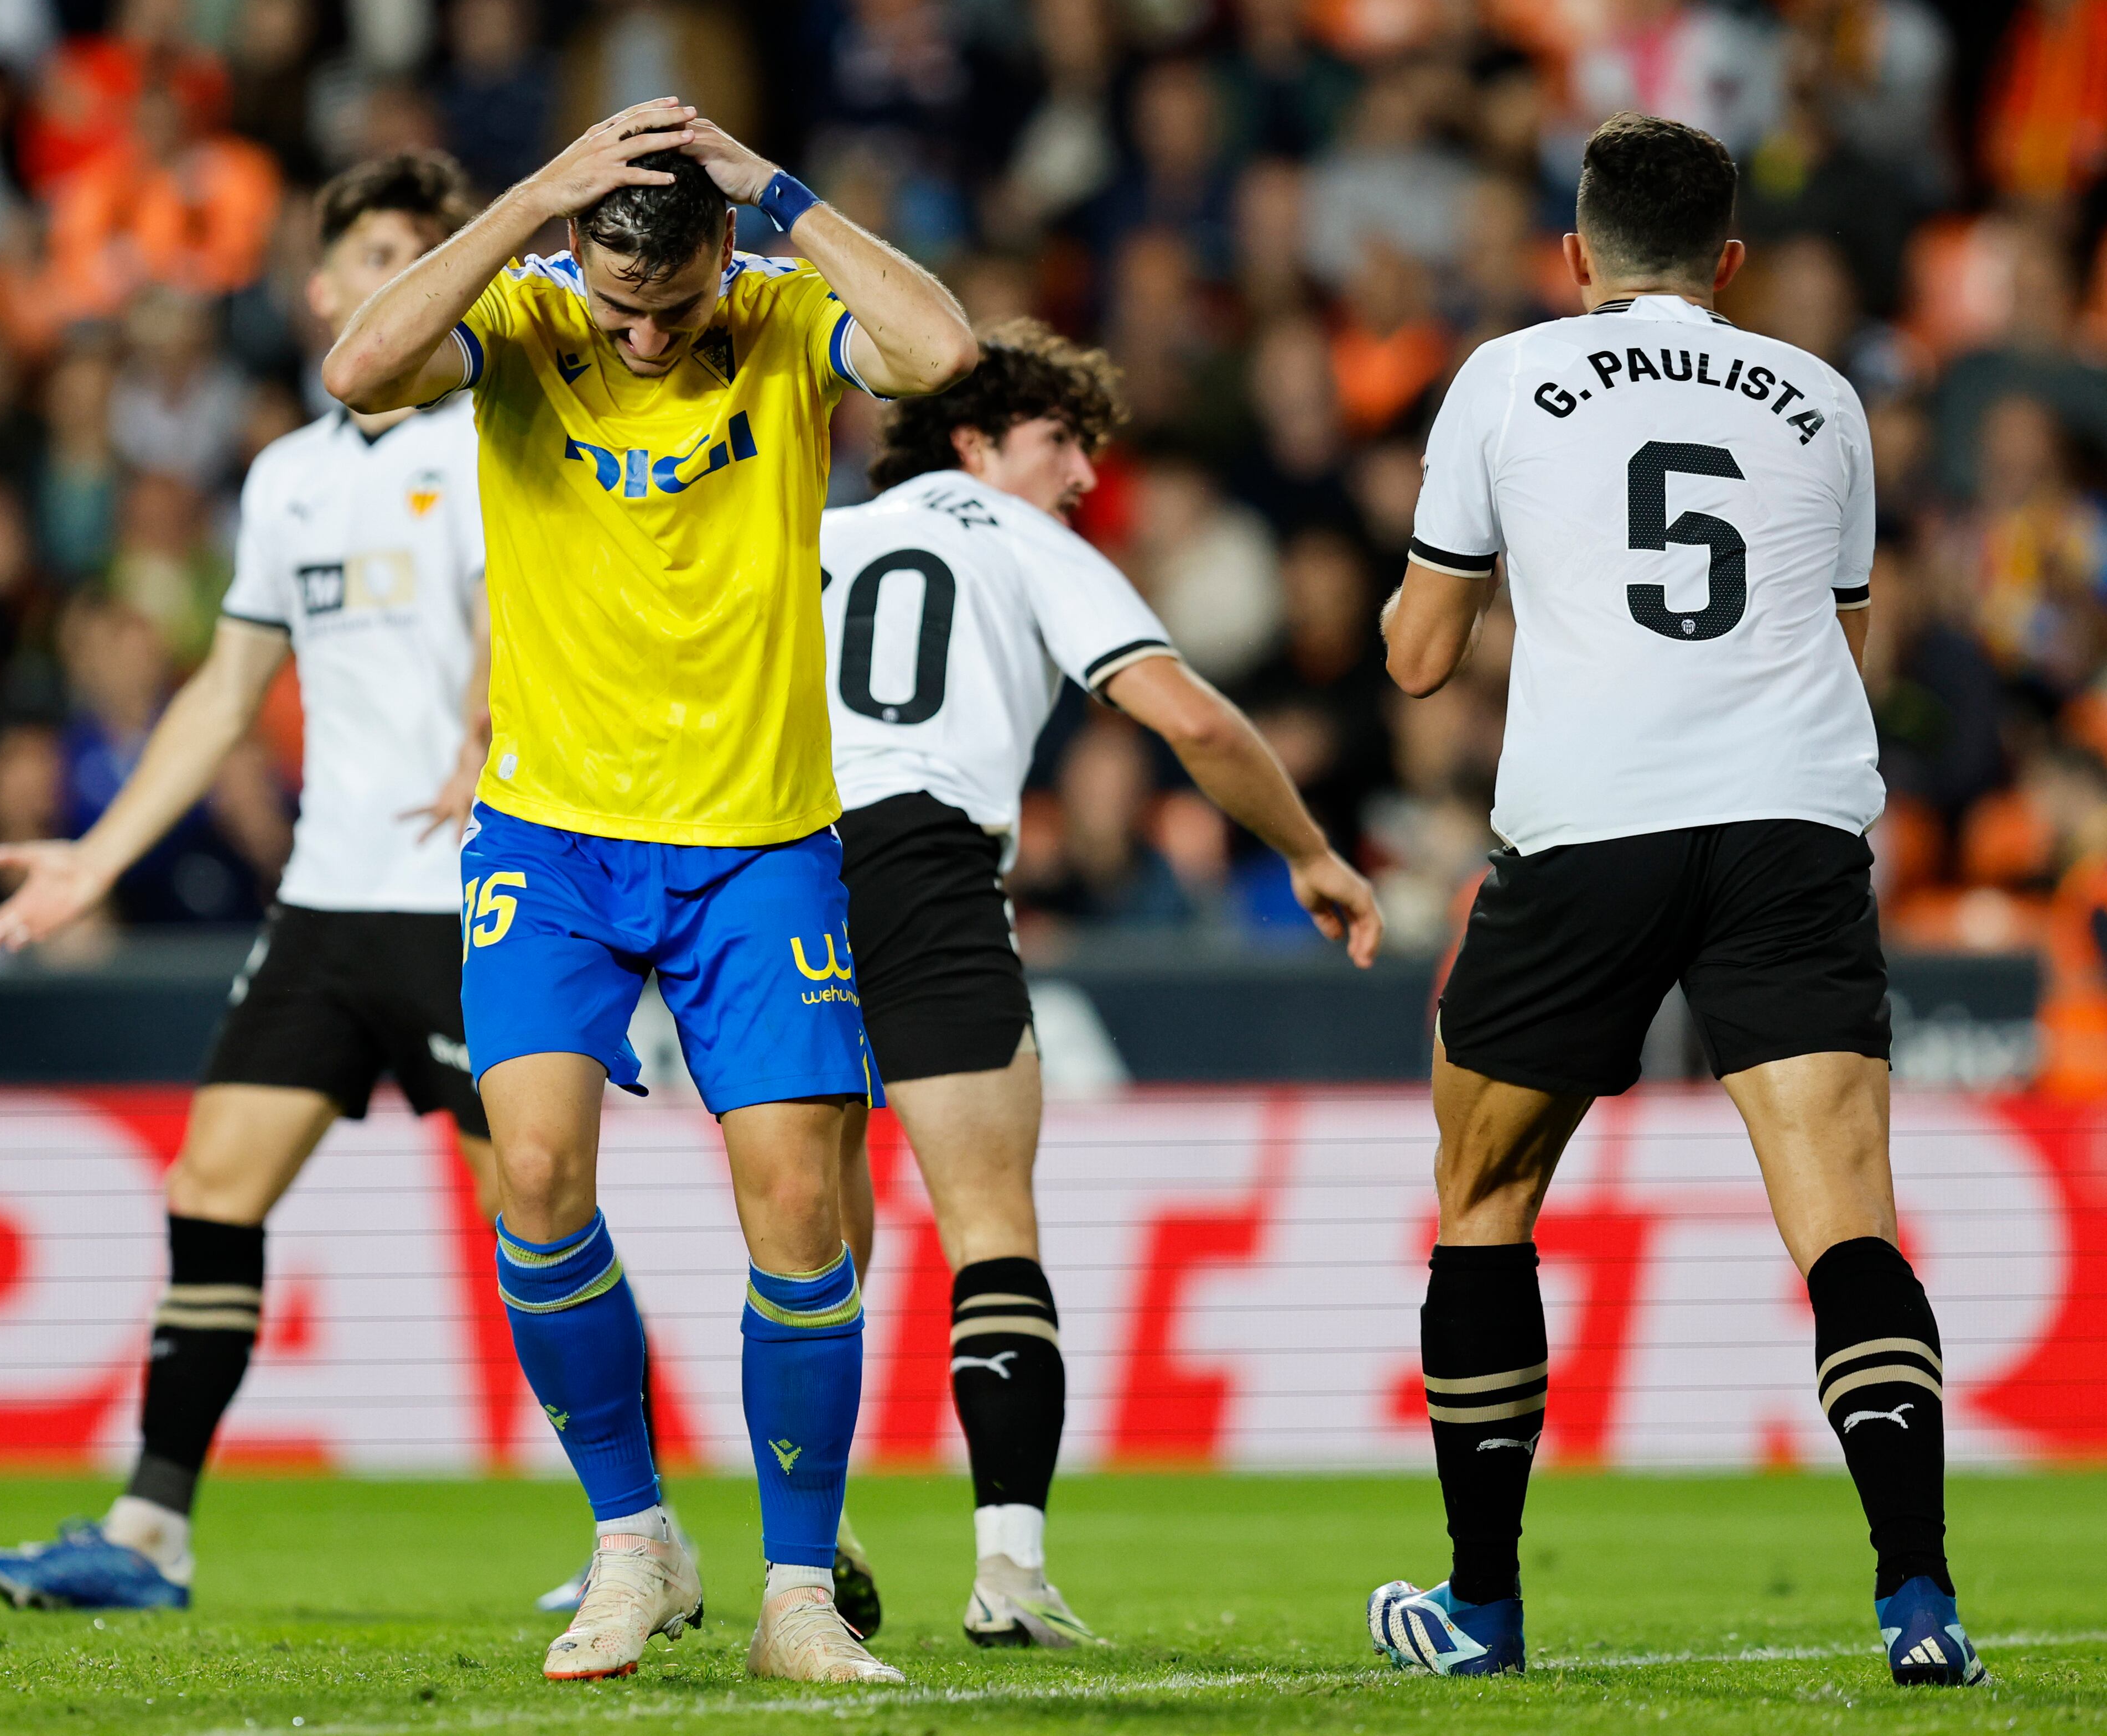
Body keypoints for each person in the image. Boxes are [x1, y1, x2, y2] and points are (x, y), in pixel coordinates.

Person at [322, 97, 976, 1686]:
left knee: (804, 1202)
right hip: (551, 835)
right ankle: (636, 1539)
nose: (648, 337)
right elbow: (356, 370)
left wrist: (779, 191)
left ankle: (799, 1593)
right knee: (532, 1171)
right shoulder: (529, 320)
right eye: (623, 308)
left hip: (757, 836)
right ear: (573, 261)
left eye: (675, 307)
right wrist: (535, 201)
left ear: (719, 265)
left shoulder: (774, 310)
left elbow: (942, 350)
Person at [1369, 112, 1978, 1687]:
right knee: (1847, 1215)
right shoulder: (1824, 394)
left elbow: (1421, 656)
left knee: (1485, 1191)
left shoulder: (1506, 374)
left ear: (1574, 255)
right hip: (1789, 814)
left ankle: (1483, 1608)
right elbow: (1849, 648)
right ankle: (1921, 1599)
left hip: (1594, 818)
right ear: (1730, 262)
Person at [0, 151, 504, 1611]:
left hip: (474, 893)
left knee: (544, 1213)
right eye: (378, 249)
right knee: (211, 1183)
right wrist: (96, 856)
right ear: (323, 289)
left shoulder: (494, 439)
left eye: (428, 252)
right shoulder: (289, 477)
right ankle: (151, 1529)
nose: (403, 271)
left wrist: (488, 734)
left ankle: (659, 1538)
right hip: (329, 899)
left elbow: (531, 616)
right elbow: (221, 692)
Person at [823, 320, 1383, 1645]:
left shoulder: (819, 537)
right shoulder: (1025, 543)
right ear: (973, 442)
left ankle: (808, 1538)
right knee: (988, 1221)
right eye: (1059, 439)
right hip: (925, 855)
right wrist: (1309, 850)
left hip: (777, 869)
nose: (1082, 473)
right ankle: (1009, 1574)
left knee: (812, 1234)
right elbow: (1187, 714)